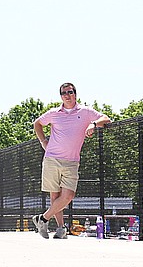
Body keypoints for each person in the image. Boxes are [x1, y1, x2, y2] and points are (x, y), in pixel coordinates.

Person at [32, 82, 112, 240]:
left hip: (72, 161)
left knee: (68, 196)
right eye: (63, 93)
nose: (67, 95)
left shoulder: (86, 111)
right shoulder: (54, 113)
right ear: (60, 96)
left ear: (75, 93)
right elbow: (37, 124)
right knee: (55, 196)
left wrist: (93, 124)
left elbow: (107, 119)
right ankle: (61, 229)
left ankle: (42, 219)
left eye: (69, 92)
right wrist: (43, 142)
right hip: (52, 158)